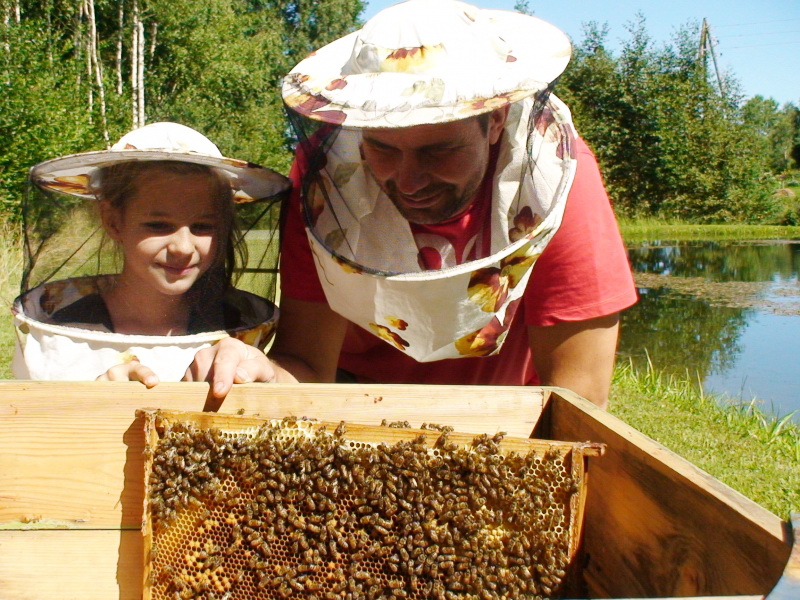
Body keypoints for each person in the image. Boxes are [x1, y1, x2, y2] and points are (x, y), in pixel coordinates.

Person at [188, 0, 637, 408]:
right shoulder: (327, 177)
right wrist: (260, 373)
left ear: (496, 120)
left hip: (507, 409)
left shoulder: (558, 178)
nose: (408, 179)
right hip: (351, 401)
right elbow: (305, 364)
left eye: (438, 150)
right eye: (383, 147)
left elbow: (579, 396)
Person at [12, 122, 289, 384]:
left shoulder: (231, 324)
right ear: (113, 220)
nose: (183, 247)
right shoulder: (61, 328)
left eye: (203, 226)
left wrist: (269, 376)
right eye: (159, 225)